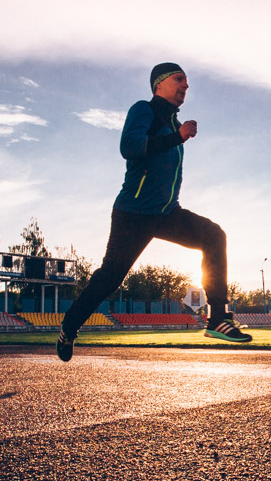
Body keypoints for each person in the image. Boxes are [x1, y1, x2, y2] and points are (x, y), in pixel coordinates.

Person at [55, 62, 250, 361]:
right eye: (179, 79)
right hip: (133, 213)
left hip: (166, 213)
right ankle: (69, 328)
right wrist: (178, 137)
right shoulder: (144, 110)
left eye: (187, 81)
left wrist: (177, 134)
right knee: (109, 279)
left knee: (213, 235)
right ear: (159, 83)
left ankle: (217, 320)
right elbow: (130, 146)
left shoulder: (173, 123)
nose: (186, 86)